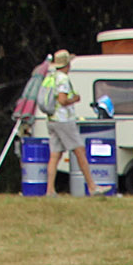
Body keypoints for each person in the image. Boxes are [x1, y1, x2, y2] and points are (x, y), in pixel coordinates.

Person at [40, 49, 104, 196]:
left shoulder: (51, 76)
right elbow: (62, 100)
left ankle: (50, 190)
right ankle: (92, 187)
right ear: (67, 64)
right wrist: (74, 99)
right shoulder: (62, 78)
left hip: (52, 120)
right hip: (64, 120)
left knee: (55, 155)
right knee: (80, 150)